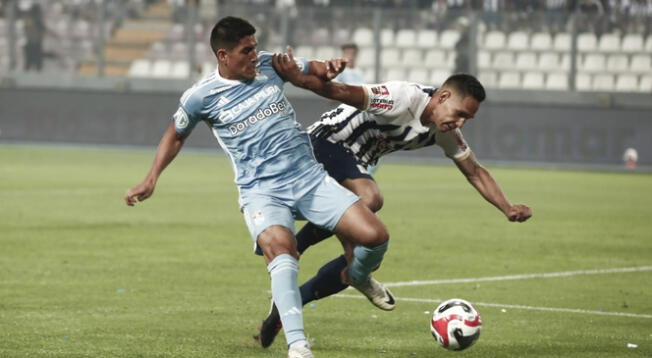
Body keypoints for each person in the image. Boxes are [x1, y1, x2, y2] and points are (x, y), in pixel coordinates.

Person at [124, 17, 393, 358]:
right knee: (282, 250)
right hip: (262, 191)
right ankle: (298, 347)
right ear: (223, 55)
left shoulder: (270, 64)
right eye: (246, 50)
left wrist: (331, 67)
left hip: (309, 179)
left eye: (254, 47)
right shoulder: (200, 97)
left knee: (375, 237)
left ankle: (356, 275)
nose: (254, 55)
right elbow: (175, 135)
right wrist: (152, 178)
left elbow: (316, 69)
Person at [254, 50, 533, 348]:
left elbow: (475, 171)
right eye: (460, 113)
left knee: (359, 260)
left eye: (468, 118)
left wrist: (507, 207)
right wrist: (297, 78)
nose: (461, 123)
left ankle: (285, 309)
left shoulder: (444, 131)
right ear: (443, 96)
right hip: (325, 141)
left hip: (355, 162)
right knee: (370, 199)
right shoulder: (402, 97)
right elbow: (339, 91)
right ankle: (299, 245)